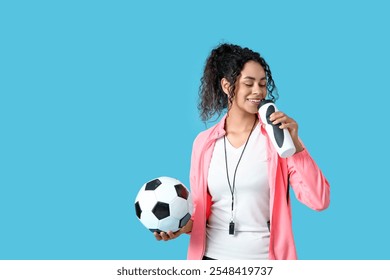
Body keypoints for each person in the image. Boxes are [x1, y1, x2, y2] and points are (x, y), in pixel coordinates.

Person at [154, 43, 330, 260]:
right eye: (249, 83)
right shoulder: (203, 143)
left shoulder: (279, 138)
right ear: (227, 86)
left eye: (263, 84)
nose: (258, 91)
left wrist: (296, 147)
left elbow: (319, 200)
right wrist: (181, 228)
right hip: (210, 259)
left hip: (264, 261)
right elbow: (201, 212)